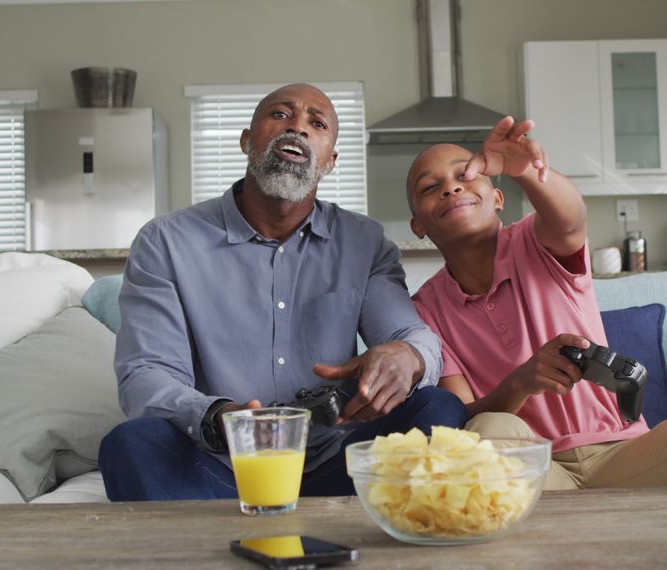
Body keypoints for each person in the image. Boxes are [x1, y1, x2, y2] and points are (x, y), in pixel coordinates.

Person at [99, 83, 467, 501]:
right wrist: (218, 417)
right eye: (279, 115)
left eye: (317, 122)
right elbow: (146, 374)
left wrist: (408, 357)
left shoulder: (365, 242)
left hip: (339, 462)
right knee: (131, 443)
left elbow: (411, 336)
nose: (298, 127)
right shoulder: (165, 241)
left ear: (330, 161)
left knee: (439, 409)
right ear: (246, 141)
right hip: (221, 469)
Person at [407, 116, 667, 490]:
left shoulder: (535, 243)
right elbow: (461, 416)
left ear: (498, 198)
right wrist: (521, 382)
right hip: (536, 467)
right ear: (418, 226)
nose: (452, 189)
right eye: (431, 187)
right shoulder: (424, 310)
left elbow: (570, 220)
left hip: (623, 453)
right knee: (487, 428)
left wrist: (526, 172)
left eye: (464, 176)